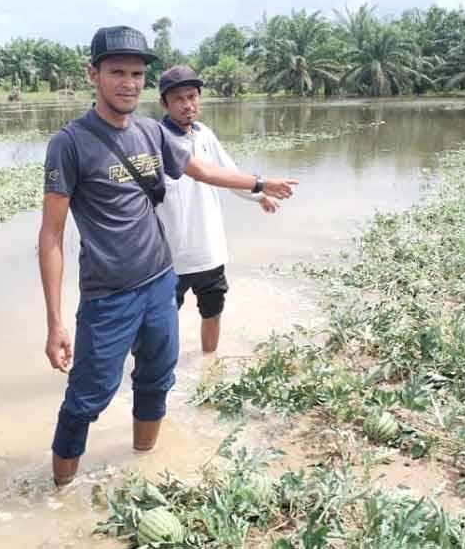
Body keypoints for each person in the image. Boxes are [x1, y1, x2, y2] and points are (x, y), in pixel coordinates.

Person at [38, 25, 298, 487]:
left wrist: (258, 185)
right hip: (107, 296)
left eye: (137, 73)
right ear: (93, 75)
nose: (129, 83)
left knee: (157, 380)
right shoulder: (71, 143)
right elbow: (52, 236)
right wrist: (55, 321)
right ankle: (57, 494)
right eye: (117, 72)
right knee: (88, 398)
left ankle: (145, 468)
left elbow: (201, 168)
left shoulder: (151, 133)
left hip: (161, 282)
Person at [155, 65, 277, 353]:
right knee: (162, 322)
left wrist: (259, 197)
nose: (188, 105)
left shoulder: (204, 134)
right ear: (164, 103)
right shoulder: (156, 140)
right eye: (179, 99)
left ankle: (209, 367)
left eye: (192, 97)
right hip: (171, 258)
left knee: (212, 311)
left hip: (209, 251)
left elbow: (229, 174)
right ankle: (162, 377)